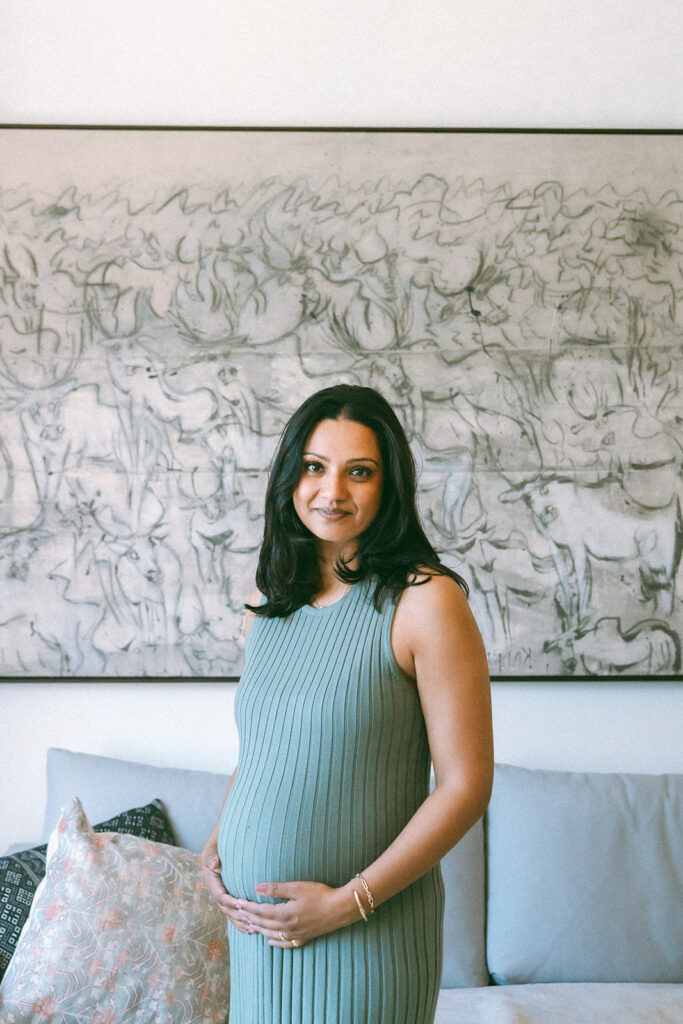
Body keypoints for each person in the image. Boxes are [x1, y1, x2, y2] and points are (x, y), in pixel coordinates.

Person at [201, 384, 493, 1024]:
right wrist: (219, 842)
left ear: (389, 486)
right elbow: (265, 751)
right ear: (289, 478)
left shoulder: (426, 601)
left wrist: (346, 903)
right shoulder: (270, 604)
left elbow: (466, 786)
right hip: (259, 937)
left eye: (358, 472)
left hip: (367, 935)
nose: (332, 492)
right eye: (314, 467)